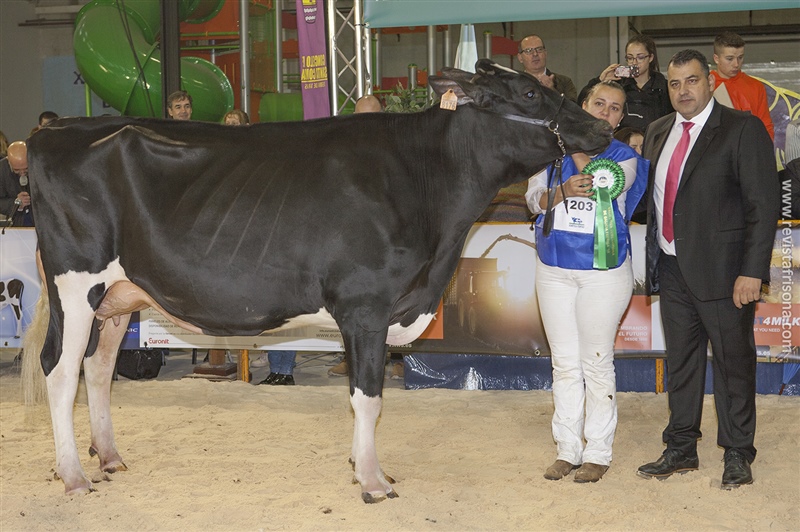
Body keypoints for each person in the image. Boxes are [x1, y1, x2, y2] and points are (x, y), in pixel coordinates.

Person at [637, 49, 779, 489]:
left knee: (734, 365)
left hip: (726, 273)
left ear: (711, 82)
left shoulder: (741, 129)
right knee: (681, 362)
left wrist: (752, 271)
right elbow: (658, 202)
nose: (683, 91)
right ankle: (681, 447)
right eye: (676, 83)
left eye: (692, 81)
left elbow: (764, 205)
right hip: (673, 269)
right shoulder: (658, 130)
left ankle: (738, 452)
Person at [525, 81, 648, 483]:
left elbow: (616, 189)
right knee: (563, 363)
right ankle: (567, 449)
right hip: (554, 268)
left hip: (603, 273)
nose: (606, 114)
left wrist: (573, 147)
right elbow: (533, 200)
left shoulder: (625, 157)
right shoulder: (547, 154)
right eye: (599, 104)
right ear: (582, 106)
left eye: (615, 109)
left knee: (596, 362)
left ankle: (598, 451)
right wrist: (558, 190)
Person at [578, 34, 673, 132]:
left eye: (640, 57)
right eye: (630, 58)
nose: (634, 63)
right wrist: (600, 80)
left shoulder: (664, 88)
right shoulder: (618, 85)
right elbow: (581, 103)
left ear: (651, 57)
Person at [711, 31, 774, 141]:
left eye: (740, 57)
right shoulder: (704, 85)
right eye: (729, 59)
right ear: (716, 59)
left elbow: (766, 126)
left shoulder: (755, 86)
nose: (736, 64)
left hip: (750, 149)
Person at [517, 35, 577, 103]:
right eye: (529, 51)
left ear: (545, 53)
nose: (535, 54)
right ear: (520, 58)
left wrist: (552, 92)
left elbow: (573, 110)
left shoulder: (565, 82)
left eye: (539, 49)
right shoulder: (513, 84)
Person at [0, 141, 33, 227]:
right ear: (9, 162)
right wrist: (16, 203)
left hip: (40, 222)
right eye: (17, 170)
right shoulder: (2, 169)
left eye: (26, 168)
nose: (22, 173)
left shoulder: (40, 166)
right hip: (16, 223)